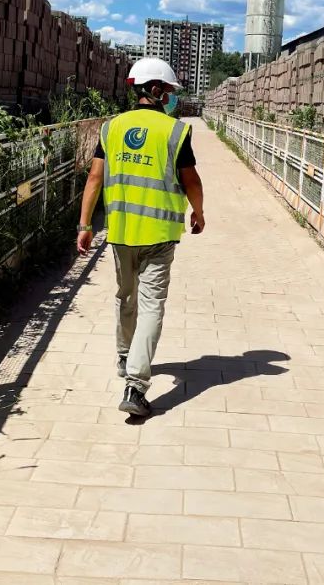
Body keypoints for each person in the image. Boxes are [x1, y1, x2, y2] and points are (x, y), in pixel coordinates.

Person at [76, 57, 205, 418]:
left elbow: (94, 178)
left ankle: (123, 356)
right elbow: (191, 180)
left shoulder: (112, 128)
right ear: (156, 90)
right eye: (169, 92)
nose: (171, 99)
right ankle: (135, 384)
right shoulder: (174, 131)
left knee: (125, 295)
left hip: (120, 233)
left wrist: (85, 225)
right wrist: (199, 212)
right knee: (151, 307)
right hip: (160, 235)